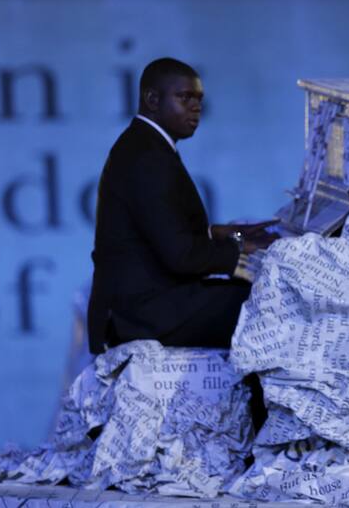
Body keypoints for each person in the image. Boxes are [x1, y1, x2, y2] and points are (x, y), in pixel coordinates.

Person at [87, 57, 276, 355]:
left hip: (144, 304)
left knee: (255, 298)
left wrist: (217, 234)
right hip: (141, 314)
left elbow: (160, 230)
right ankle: (258, 401)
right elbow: (181, 257)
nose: (196, 107)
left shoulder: (147, 145)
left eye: (199, 99)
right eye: (185, 97)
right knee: (269, 303)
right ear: (152, 99)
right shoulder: (147, 157)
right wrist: (241, 251)